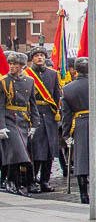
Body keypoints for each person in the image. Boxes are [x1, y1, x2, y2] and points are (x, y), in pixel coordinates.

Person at [61, 57, 96, 204]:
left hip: (79, 124)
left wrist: (66, 134)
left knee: (81, 160)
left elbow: (66, 115)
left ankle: (84, 195)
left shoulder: (67, 88)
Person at [0, 51, 40, 196]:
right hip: (10, 119)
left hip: (24, 120)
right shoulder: (3, 81)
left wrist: (35, 123)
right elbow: (0, 106)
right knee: (18, 151)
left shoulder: (29, 81)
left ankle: (15, 184)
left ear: (22, 66)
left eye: (15, 64)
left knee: (18, 153)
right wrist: (2, 126)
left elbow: (32, 104)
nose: (12, 66)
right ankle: (11, 182)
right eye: (10, 63)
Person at [25, 46, 60, 194]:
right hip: (34, 115)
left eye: (42, 55)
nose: (39, 58)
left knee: (49, 151)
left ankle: (45, 180)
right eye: (36, 55)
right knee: (35, 151)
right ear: (32, 58)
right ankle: (32, 181)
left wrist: (57, 114)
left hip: (50, 115)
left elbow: (57, 95)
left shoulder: (53, 74)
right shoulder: (27, 74)